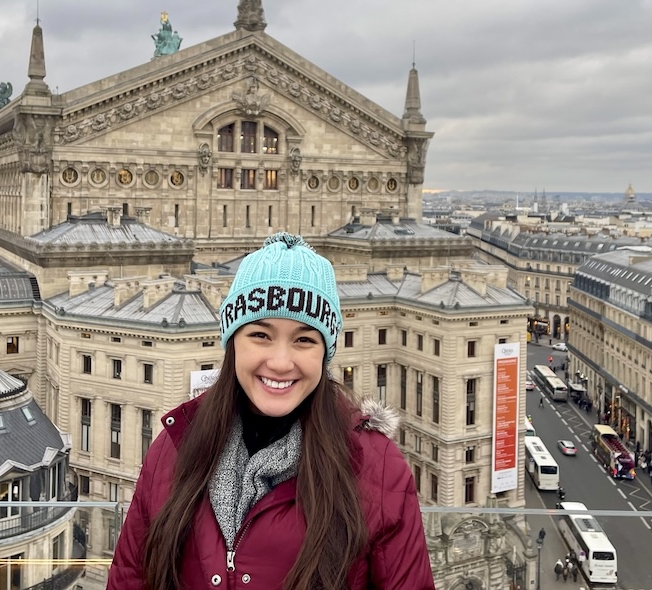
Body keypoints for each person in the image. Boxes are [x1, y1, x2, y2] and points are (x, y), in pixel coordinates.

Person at [106, 233, 435, 590]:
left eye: (304, 340)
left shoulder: (378, 467)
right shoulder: (173, 447)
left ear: (325, 354)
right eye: (261, 335)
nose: (280, 362)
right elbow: (130, 578)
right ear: (232, 341)